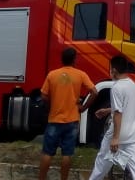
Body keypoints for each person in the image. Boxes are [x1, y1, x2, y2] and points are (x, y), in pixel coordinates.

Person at [38, 47, 97, 180]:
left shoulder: (52, 74)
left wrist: (51, 104)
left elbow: (43, 95)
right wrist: (83, 107)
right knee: (67, 154)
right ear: (74, 59)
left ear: (62, 59)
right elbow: (94, 92)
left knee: (47, 153)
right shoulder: (81, 74)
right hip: (72, 120)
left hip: (54, 119)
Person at [89, 54, 135, 180]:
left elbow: (118, 113)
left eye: (110, 69)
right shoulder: (132, 84)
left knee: (101, 166)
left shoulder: (116, 87)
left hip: (116, 135)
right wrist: (108, 110)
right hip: (131, 135)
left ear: (114, 70)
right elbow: (126, 107)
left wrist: (115, 138)